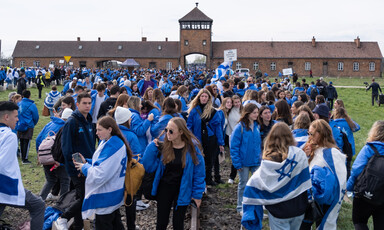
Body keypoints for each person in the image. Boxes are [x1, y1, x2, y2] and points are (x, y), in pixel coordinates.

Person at [241, 123, 311, 230]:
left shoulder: (268, 160)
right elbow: (305, 180)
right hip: (299, 207)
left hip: (278, 210)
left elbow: (259, 182)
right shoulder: (300, 155)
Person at [142, 117, 206, 230]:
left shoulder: (192, 150)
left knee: (178, 223)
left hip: (183, 190)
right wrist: (152, 146)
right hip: (165, 189)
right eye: (166, 130)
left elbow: (199, 174)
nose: (167, 133)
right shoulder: (164, 147)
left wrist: (197, 194)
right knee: (161, 222)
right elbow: (148, 165)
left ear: (181, 132)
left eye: (171, 131)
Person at [73, 116, 131, 229]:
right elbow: (102, 163)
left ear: (109, 129)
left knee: (105, 224)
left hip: (106, 196)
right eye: (96, 129)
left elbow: (100, 174)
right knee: (116, 223)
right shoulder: (110, 141)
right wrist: (87, 162)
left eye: (99, 130)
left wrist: (84, 167)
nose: (96, 133)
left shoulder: (112, 146)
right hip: (113, 192)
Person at [0, 101, 45, 229]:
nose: (18, 119)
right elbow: (2, 165)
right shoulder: (9, 136)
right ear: (6, 117)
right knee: (38, 205)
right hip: (6, 185)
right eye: (15, 116)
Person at [55, 93, 96, 230]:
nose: (88, 106)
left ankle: (78, 225)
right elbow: (67, 149)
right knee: (85, 197)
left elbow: (90, 146)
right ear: (77, 104)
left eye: (89, 103)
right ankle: (63, 218)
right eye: (84, 103)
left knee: (80, 196)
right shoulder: (72, 121)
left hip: (87, 165)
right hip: (77, 168)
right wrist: (78, 168)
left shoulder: (89, 120)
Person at [301, 119, 347, 230]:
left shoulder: (333, 153)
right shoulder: (312, 149)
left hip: (324, 198)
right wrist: (304, 156)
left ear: (321, 134)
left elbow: (340, 179)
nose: (310, 137)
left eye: (312, 134)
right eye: (309, 133)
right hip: (308, 197)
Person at [347, 121, 384, 230]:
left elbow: (356, 170)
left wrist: (349, 187)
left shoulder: (369, 149)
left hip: (363, 193)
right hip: (382, 195)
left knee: (359, 222)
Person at [187, 89, 224, 185]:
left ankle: (208, 179)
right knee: (198, 160)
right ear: (199, 97)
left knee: (209, 160)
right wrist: (190, 138)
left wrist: (221, 143)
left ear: (208, 98)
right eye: (202, 96)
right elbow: (189, 126)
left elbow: (218, 128)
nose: (203, 98)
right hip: (197, 139)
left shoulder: (213, 112)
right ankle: (199, 180)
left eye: (205, 96)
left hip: (210, 139)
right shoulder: (194, 111)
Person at [230, 103, 262, 214]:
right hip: (243, 162)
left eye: (257, 112)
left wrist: (260, 158)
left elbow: (258, 144)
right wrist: (237, 163)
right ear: (248, 114)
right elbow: (234, 146)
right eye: (254, 113)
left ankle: (256, 206)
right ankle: (240, 207)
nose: (256, 115)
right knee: (243, 184)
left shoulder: (257, 126)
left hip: (256, 161)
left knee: (257, 184)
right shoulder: (240, 127)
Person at [36, 108, 72, 201]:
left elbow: (38, 139)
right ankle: (63, 203)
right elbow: (64, 146)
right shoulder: (66, 128)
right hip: (58, 158)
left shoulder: (50, 124)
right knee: (65, 180)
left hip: (45, 156)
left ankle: (39, 200)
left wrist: (39, 155)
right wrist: (62, 162)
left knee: (50, 180)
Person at [17, 90, 39, 164]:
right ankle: (25, 159)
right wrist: (33, 123)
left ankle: (22, 155)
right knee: (27, 142)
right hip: (28, 125)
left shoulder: (19, 104)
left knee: (21, 140)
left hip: (20, 124)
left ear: (22, 96)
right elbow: (36, 116)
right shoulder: (32, 105)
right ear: (29, 96)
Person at [227, 95, 242, 184]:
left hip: (243, 136)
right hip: (233, 136)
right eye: (235, 102)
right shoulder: (230, 112)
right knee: (235, 156)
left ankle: (241, 176)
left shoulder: (243, 110)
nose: (237, 104)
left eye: (238, 102)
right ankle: (232, 176)